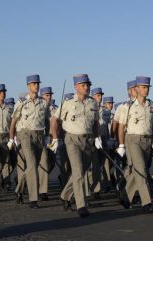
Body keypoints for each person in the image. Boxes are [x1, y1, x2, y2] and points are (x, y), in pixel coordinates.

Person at [52, 74, 101, 218]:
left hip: (88, 140)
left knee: (80, 172)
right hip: (72, 139)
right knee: (78, 171)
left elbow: (96, 122)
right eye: (83, 85)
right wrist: (55, 138)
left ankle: (64, 195)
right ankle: (81, 205)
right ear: (76, 87)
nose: (86, 87)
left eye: (88, 85)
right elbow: (54, 120)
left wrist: (97, 137)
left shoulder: (92, 103)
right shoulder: (67, 102)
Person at [9, 75, 51, 208]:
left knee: (33, 166)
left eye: (37, 83)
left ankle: (19, 190)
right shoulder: (21, 102)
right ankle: (33, 199)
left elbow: (47, 120)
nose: (36, 86)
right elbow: (13, 121)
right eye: (33, 84)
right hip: (25, 134)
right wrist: (12, 138)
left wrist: (47, 136)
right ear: (28, 86)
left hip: (39, 135)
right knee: (32, 165)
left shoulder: (44, 103)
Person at [117, 76, 153, 213]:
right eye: (143, 87)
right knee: (141, 170)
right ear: (137, 89)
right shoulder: (127, 106)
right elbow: (121, 127)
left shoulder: (152, 105)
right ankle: (146, 202)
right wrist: (121, 145)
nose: (146, 90)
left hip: (147, 140)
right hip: (132, 140)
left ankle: (125, 196)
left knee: (138, 171)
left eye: (147, 87)